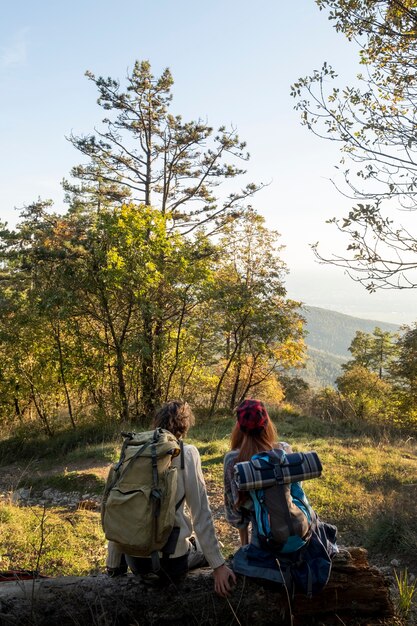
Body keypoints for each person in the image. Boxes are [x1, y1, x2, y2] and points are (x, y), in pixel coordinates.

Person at [106, 400, 236, 597]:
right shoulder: (187, 453)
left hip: (135, 561)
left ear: (157, 422)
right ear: (185, 425)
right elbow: (200, 513)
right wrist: (218, 566)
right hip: (170, 563)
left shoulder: (135, 450)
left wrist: (113, 565)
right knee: (200, 546)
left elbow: (119, 509)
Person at [223, 398, 337, 586]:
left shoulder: (233, 460)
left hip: (264, 539)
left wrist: (245, 546)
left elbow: (236, 515)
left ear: (239, 427)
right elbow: (294, 495)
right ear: (267, 423)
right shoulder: (284, 449)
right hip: (302, 532)